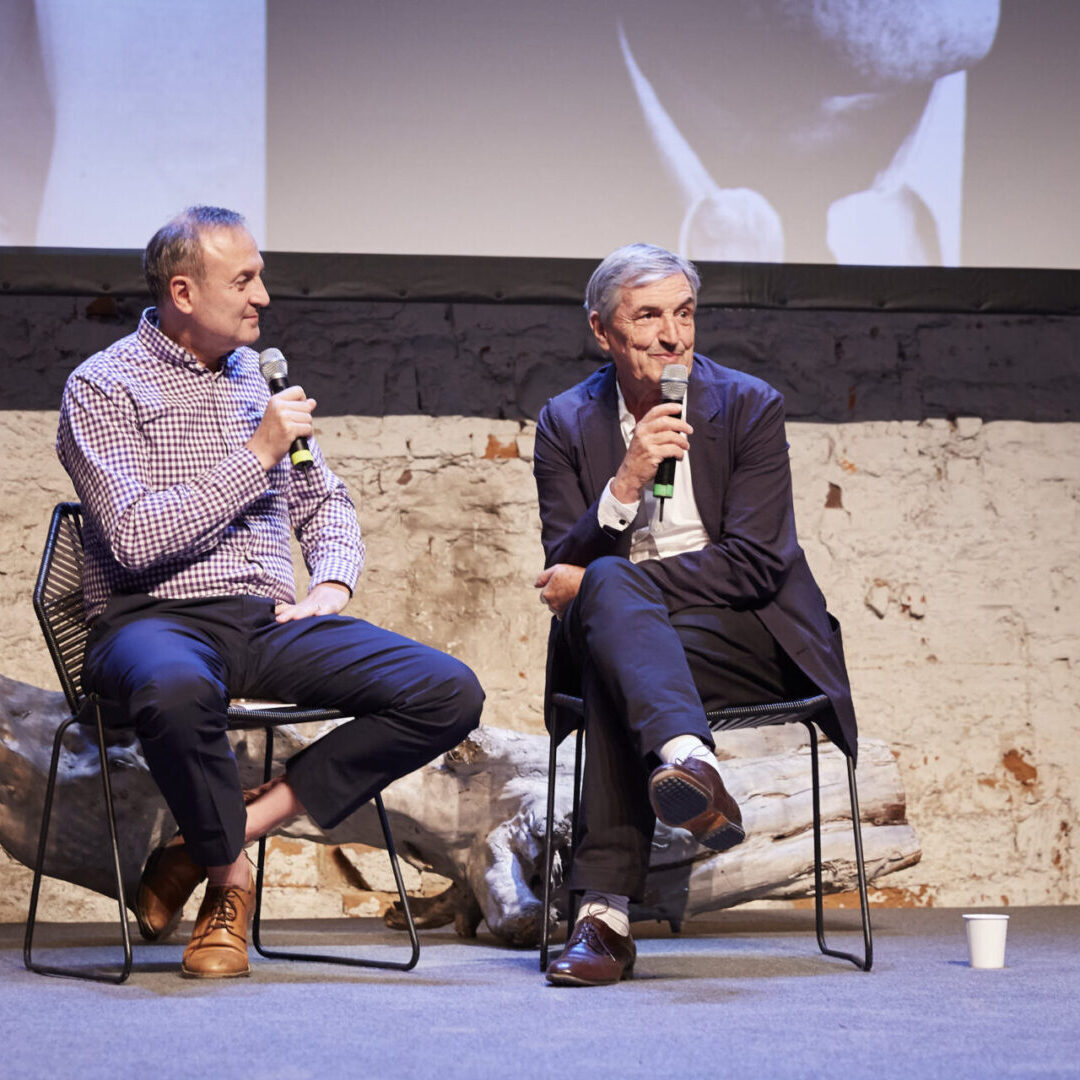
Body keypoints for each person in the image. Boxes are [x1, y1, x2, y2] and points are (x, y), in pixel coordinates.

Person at [56, 205, 484, 978]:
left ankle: (216, 837)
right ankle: (229, 888)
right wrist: (257, 453)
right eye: (244, 280)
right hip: (153, 620)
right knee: (176, 689)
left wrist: (330, 578)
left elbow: (325, 499)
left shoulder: (258, 376)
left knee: (445, 690)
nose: (264, 296)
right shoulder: (102, 388)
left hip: (266, 619)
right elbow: (135, 539)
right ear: (183, 293)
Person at [533, 243, 855, 986]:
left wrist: (621, 588)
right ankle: (691, 761)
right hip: (638, 645)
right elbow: (560, 567)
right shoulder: (563, 421)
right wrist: (624, 482)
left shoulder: (747, 405)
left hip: (747, 631)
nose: (672, 335)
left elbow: (756, 562)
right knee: (616, 627)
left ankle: (603, 919)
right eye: (648, 317)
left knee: (612, 604)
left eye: (685, 314)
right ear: (603, 331)